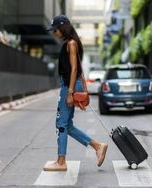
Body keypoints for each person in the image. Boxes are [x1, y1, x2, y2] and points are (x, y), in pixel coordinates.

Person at [44, 15, 108, 171]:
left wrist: (70, 92)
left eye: (56, 30)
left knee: (61, 124)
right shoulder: (69, 43)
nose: (54, 33)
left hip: (69, 85)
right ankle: (97, 146)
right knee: (67, 125)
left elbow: (74, 70)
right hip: (68, 85)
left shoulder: (71, 44)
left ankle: (61, 162)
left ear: (63, 28)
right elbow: (75, 70)